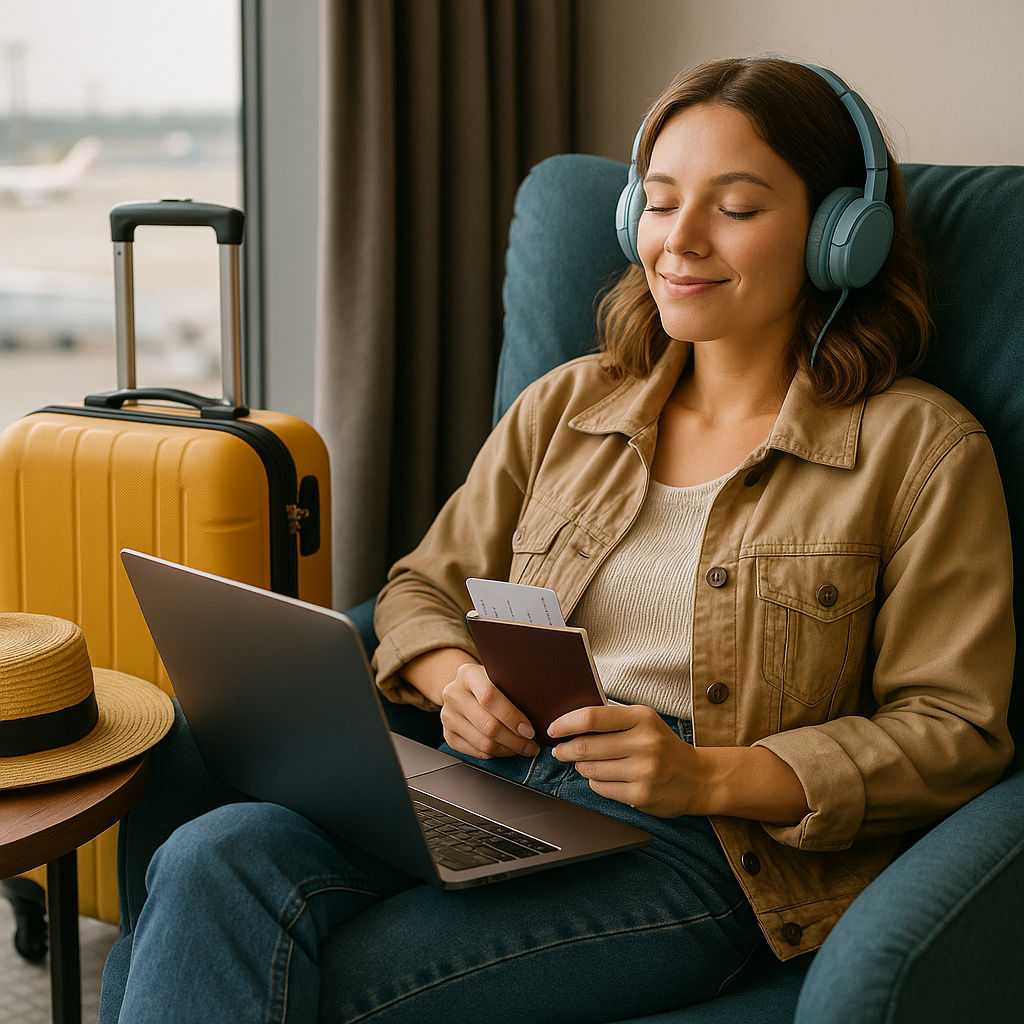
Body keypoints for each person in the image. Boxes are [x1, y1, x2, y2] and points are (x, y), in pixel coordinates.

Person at [114, 58, 1014, 1023]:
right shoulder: (571, 405)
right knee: (212, 858)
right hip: (505, 787)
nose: (682, 242)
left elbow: (953, 732)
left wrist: (705, 773)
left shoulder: (921, 447)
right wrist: (454, 680)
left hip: (708, 848)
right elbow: (420, 589)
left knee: (319, 986)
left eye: (737, 209)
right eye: (661, 204)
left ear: (841, 235)